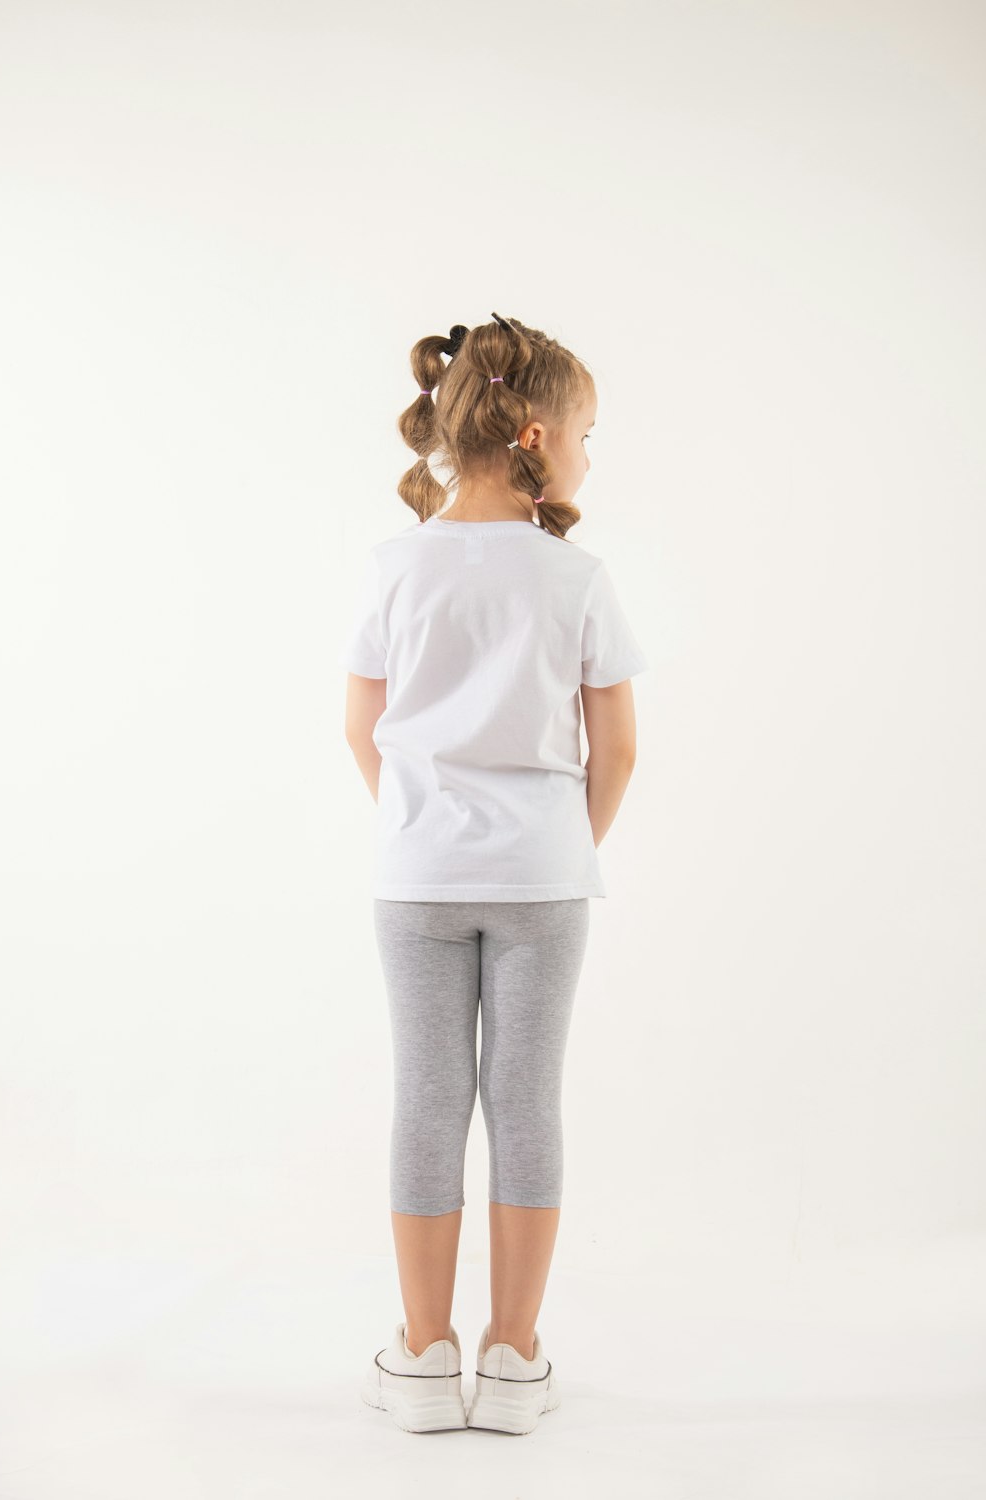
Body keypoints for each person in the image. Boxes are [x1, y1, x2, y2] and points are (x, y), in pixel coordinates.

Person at [342, 313, 648, 1435]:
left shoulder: (392, 568)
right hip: (543, 883)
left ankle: (423, 1357)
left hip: (416, 877)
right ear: (532, 434)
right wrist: (557, 849)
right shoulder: (577, 580)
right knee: (525, 1104)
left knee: (427, 1099)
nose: (587, 457)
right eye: (586, 435)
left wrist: (428, 831)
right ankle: (515, 1360)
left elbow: (359, 725)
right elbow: (614, 751)